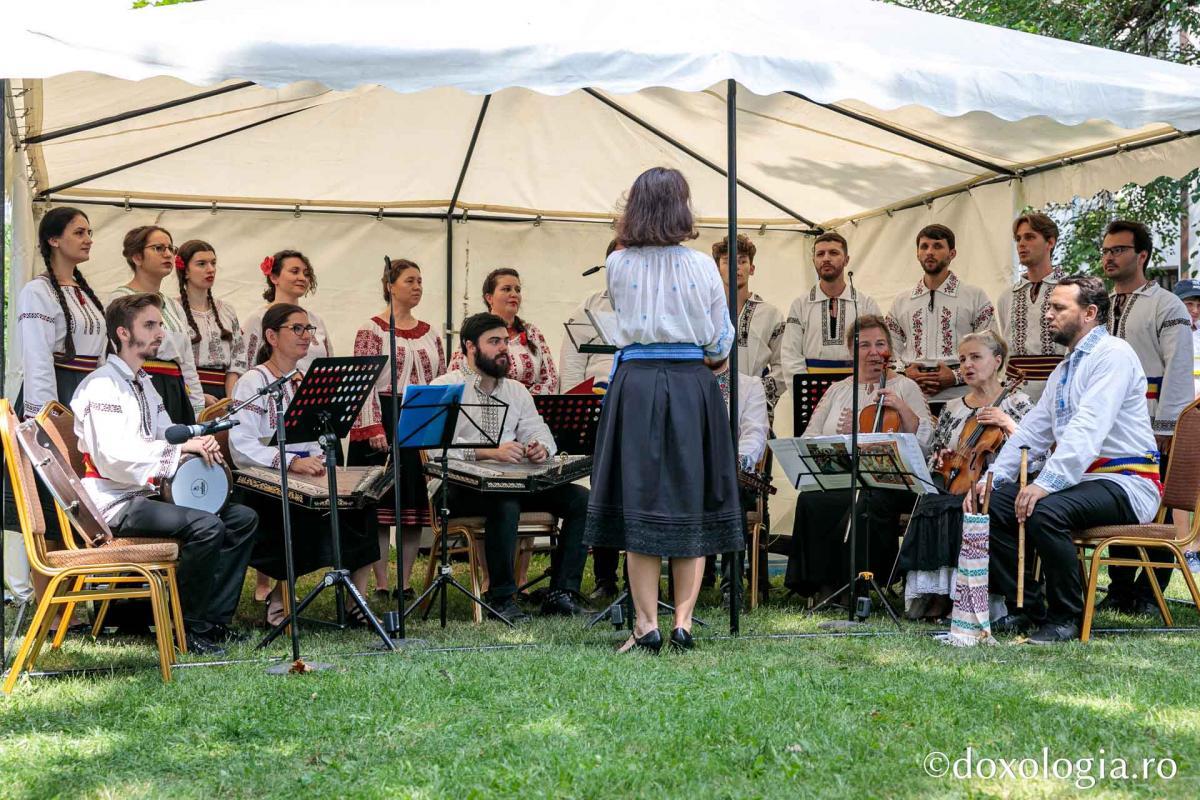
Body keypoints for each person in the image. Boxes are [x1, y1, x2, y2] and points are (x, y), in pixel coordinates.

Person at [584, 166, 742, 654]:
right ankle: (685, 623)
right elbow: (720, 342)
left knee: (640, 499)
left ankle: (647, 624)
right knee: (690, 497)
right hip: (692, 384)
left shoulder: (618, 264)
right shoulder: (702, 266)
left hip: (636, 383)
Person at [966, 276, 1163, 644]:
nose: (1049, 315)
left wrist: (1045, 484)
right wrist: (989, 480)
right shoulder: (1064, 369)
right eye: (1049, 307)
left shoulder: (1114, 355)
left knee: (1046, 510)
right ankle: (1027, 609)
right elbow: (1031, 433)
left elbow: (1089, 427)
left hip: (1127, 483)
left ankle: (1066, 617)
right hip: (1082, 483)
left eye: (1059, 308)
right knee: (993, 503)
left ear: (1089, 313)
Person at [71, 293, 258, 654]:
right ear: (123, 333)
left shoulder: (142, 382)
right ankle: (182, 628)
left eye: (160, 325)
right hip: (114, 502)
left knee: (241, 518)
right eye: (150, 325)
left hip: (145, 495)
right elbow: (112, 459)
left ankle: (211, 622)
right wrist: (178, 451)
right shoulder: (102, 386)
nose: (160, 333)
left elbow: (170, 433)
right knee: (206, 526)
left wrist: (201, 442)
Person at [432, 313, 590, 623]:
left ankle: (561, 593)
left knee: (581, 500)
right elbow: (436, 450)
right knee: (504, 502)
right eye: (494, 342)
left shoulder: (516, 391)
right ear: (470, 347)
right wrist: (490, 453)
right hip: (458, 489)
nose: (504, 348)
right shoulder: (446, 387)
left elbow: (540, 432)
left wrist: (538, 448)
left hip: (514, 484)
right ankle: (501, 598)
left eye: (505, 341)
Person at [229, 304, 379, 628]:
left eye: (308, 329)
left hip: (305, 478)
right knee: (295, 513)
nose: (306, 336)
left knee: (363, 505)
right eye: (297, 329)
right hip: (264, 485)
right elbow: (241, 446)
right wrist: (292, 462)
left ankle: (356, 601)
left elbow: (314, 438)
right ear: (271, 336)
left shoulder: (304, 381)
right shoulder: (253, 382)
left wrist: (321, 461)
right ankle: (280, 599)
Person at [5, 207, 107, 633]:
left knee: (80, 499)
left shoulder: (84, 292)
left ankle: (74, 603)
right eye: (78, 232)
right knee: (49, 500)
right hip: (55, 400)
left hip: (83, 398)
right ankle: (49, 609)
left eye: (89, 232)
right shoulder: (37, 292)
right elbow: (37, 359)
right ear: (53, 240)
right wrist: (47, 422)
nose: (87, 239)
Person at [784, 315, 933, 601]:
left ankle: (861, 583)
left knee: (866, 500)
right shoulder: (838, 390)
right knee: (812, 499)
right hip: (844, 477)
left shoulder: (905, 387)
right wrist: (839, 440)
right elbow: (809, 439)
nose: (873, 351)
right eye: (864, 345)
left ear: (889, 349)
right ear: (851, 352)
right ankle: (820, 584)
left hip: (891, 483)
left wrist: (901, 408)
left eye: (880, 344)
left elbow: (925, 442)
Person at [898, 331, 1034, 620]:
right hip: (957, 478)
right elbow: (937, 453)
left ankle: (962, 595)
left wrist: (1008, 424)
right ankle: (937, 593)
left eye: (975, 357)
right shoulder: (952, 407)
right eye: (962, 359)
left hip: (996, 484)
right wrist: (943, 458)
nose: (966, 365)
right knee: (930, 497)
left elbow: (1036, 454)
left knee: (959, 504)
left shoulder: (1017, 403)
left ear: (997, 361)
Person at [1099, 220, 1193, 614]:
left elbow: (1178, 368)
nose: (1109, 257)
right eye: (1105, 250)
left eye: (1118, 250)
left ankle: (1154, 590)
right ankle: (1120, 588)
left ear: (1142, 255)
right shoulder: (1101, 305)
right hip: (1113, 424)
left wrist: (1168, 427)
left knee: (1166, 506)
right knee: (1119, 496)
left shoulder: (1166, 304)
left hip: (1154, 420)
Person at [347, 258, 446, 606]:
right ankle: (381, 580)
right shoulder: (371, 329)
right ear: (390, 285)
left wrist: (437, 421)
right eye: (409, 280)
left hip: (417, 414)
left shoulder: (431, 332)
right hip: (382, 416)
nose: (417, 286)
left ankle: (404, 581)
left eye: (420, 281)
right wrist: (372, 424)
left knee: (412, 505)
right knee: (379, 507)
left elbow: (442, 378)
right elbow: (364, 379)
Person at [558, 240, 621, 601]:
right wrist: (574, 411)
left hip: (638, 405)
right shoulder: (590, 305)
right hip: (599, 407)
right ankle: (605, 577)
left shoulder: (651, 302)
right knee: (603, 493)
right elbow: (571, 363)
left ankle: (640, 577)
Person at [885, 224, 997, 397]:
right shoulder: (901, 301)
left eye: (937, 246)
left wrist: (955, 376)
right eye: (924, 246)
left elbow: (990, 347)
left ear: (952, 253)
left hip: (963, 396)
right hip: (911, 396)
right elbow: (890, 348)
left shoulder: (974, 296)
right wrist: (904, 374)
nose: (930, 252)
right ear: (917, 254)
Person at [107, 226, 205, 423]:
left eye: (171, 248)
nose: (168, 254)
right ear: (137, 257)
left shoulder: (173, 306)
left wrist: (197, 405)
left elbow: (186, 362)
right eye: (159, 248)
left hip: (175, 389)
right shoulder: (120, 299)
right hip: (141, 385)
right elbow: (111, 354)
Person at [708, 356, 770, 607]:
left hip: (732, 475)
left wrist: (739, 461)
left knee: (735, 488)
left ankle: (732, 588)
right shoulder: (682, 381)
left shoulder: (749, 385)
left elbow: (755, 432)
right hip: (690, 475)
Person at [782, 231, 881, 378]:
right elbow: (790, 355)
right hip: (813, 389)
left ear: (846, 260)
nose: (826, 258)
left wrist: (865, 389)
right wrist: (804, 389)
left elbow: (879, 350)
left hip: (857, 388)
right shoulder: (800, 305)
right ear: (813, 260)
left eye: (833, 253)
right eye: (820, 254)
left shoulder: (866, 304)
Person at [449, 268, 558, 395]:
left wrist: (524, 401)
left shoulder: (532, 332)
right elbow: (457, 376)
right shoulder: (476, 332)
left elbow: (550, 378)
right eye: (506, 289)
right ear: (489, 298)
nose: (514, 294)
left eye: (517, 290)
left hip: (530, 407)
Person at [712, 233, 787, 415]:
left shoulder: (771, 314)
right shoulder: (705, 313)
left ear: (751, 268)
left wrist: (757, 393)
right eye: (727, 261)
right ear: (717, 268)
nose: (735, 267)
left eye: (742, 261)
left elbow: (784, 365)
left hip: (755, 407)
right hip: (712, 403)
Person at [996, 213, 1066, 401]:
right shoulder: (1006, 297)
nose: (1021, 244)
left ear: (1050, 242)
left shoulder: (1071, 290)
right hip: (1014, 396)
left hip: (1058, 393)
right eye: (1018, 239)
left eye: (1030, 237)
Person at [231, 249, 333, 378]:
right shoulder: (258, 318)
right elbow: (246, 367)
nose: (302, 278)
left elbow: (329, 364)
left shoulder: (316, 320)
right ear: (274, 277)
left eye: (306, 273)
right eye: (295, 271)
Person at [175, 239, 243, 402]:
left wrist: (229, 398)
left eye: (213, 263)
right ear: (185, 271)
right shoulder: (172, 310)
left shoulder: (227, 310)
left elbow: (238, 357)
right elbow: (173, 360)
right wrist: (198, 396)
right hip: (186, 393)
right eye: (201, 264)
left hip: (224, 393)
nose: (210, 269)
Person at [559, 240, 619, 394]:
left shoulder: (654, 306)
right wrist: (574, 406)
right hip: (598, 398)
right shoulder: (591, 305)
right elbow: (572, 363)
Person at [1171, 278, 1200, 574]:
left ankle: (1197, 544)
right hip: (1182, 419)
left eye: (1197, 305)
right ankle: (1185, 544)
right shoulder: (1172, 334)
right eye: (1187, 304)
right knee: (1184, 482)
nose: (1193, 310)